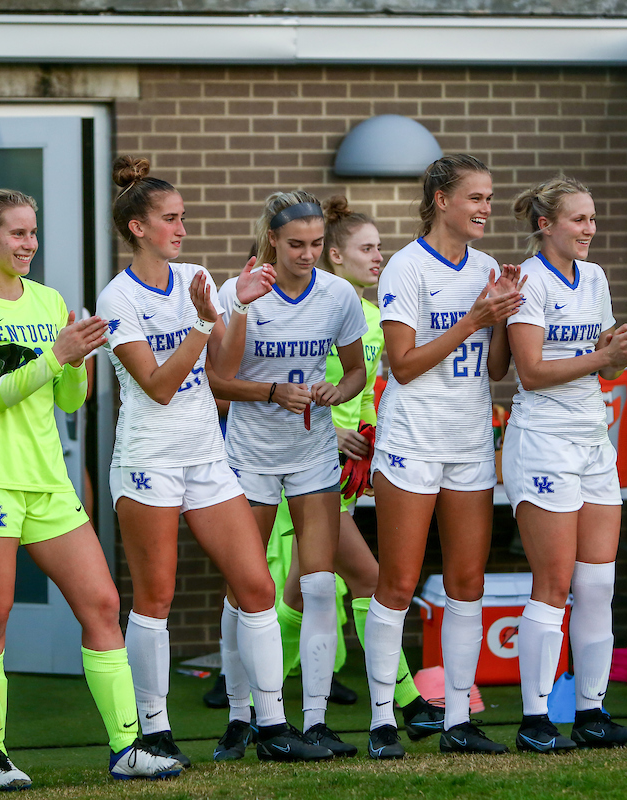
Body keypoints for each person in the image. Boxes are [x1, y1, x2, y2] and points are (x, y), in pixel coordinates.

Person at [0, 188, 181, 786]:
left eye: (33, 233)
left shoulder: (51, 302)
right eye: (17, 233)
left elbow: (70, 399)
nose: (29, 245)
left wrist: (78, 362)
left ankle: (128, 747)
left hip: (47, 478)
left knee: (101, 604)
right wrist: (57, 354)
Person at [96, 158, 330, 765]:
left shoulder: (196, 274)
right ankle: (154, 729)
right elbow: (159, 385)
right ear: (138, 228)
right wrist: (203, 323)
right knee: (155, 596)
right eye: (170, 219)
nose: (181, 228)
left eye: (182, 218)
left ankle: (272, 726)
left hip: (206, 456)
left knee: (255, 586)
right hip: (149, 458)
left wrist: (240, 308)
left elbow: (220, 368)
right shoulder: (117, 296)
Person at [362, 154, 524, 759]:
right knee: (399, 582)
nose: (485, 208)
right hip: (411, 441)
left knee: (467, 581)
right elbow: (402, 364)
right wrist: (476, 316)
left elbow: (499, 366)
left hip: (469, 442)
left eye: (488, 198)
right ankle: (383, 720)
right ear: (440, 200)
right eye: (475, 198)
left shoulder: (485, 266)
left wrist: (502, 313)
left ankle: (459, 718)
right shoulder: (405, 266)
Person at [271, 196, 445, 743]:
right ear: (336, 259)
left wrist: (368, 437)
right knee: (367, 579)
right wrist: (328, 427)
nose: (379, 258)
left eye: (380, 248)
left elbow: (365, 392)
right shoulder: (315, 307)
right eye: (367, 249)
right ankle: (409, 702)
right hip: (298, 466)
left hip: (339, 473)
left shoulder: (370, 316)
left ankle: (258, 703)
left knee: (300, 592)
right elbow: (281, 381)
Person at [208, 189, 368, 757]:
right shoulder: (240, 291)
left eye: (317, 244)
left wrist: (334, 390)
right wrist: (274, 391)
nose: (307, 254)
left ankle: (316, 720)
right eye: (295, 244)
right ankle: (239, 714)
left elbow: (356, 372)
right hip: (248, 455)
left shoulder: (338, 294)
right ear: (271, 240)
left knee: (320, 585)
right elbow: (218, 381)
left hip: (313, 453)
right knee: (245, 587)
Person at [503, 175, 627, 752]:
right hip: (542, 441)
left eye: (593, 219)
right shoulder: (526, 280)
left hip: (593, 439)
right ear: (547, 225)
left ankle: (591, 710)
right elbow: (531, 371)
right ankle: (535, 720)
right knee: (555, 581)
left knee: (598, 582)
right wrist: (602, 355)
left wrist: (619, 351)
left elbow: (601, 367)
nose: (591, 229)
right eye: (579, 220)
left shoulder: (594, 276)